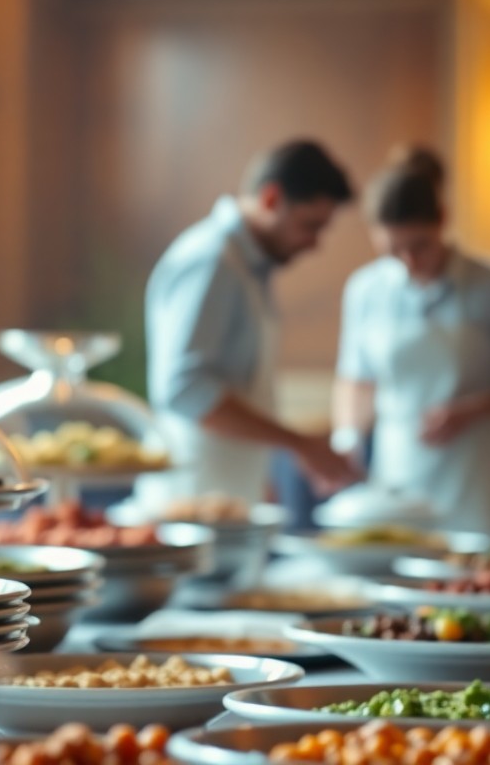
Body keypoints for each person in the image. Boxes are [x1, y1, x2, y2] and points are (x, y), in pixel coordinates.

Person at [331, 147, 490, 531]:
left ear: (442, 220)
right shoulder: (366, 289)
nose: (408, 261)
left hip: (475, 471)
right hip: (397, 465)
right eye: (393, 250)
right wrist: (348, 443)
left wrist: (472, 410)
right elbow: (356, 378)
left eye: (419, 246)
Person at [139, 140, 362, 506]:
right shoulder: (212, 261)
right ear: (272, 198)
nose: (314, 243)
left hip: (228, 489)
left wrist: (261, 472)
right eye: (310, 226)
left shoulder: (249, 267)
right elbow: (184, 389)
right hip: (192, 496)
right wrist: (299, 444)